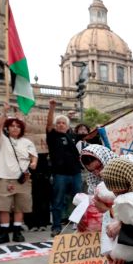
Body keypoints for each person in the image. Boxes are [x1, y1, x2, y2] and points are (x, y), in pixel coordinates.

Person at [0, 103, 38, 244]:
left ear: (21, 129)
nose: (15, 128)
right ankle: (4, 233)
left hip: (22, 178)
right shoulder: (3, 140)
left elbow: (34, 156)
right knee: (3, 207)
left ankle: (17, 232)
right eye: (12, 125)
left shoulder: (27, 142)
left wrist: (34, 163)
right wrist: (4, 111)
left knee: (20, 206)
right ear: (8, 127)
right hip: (5, 178)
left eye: (18, 126)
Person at [46, 99, 82, 236]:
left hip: (75, 173)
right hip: (60, 174)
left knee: (79, 200)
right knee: (58, 200)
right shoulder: (52, 136)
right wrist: (52, 108)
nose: (61, 125)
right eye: (58, 123)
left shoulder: (72, 136)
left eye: (63, 123)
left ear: (68, 126)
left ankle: (80, 225)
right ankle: (56, 227)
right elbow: (49, 124)